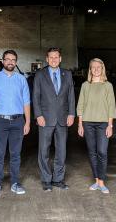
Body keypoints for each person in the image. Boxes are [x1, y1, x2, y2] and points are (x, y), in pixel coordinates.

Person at [0, 49, 30, 196]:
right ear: (3, 61)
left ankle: (15, 183)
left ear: (16, 62)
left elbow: (26, 102)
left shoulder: (21, 79)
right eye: (7, 59)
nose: (10, 62)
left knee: (15, 154)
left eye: (13, 60)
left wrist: (27, 122)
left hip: (18, 121)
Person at [33, 47, 75, 191]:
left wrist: (71, 114)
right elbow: (36, 96)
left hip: (63, 118)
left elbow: (71, 95)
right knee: (43, 150)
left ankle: (58, 179)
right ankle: (46, 180)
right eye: (51, 57)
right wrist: (38, 115)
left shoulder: (67, 74)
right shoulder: (40, 74)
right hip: (45, 118)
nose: (54, 60)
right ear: (47, 58)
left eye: (56, 57)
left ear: (60, 58)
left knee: (61, 150)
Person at [77, 58, 116, 194]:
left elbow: (111, 106)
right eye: (93, 67)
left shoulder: (108, 86)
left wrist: (110, 125)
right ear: (90, 69)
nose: (96, 69)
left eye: (98, 67)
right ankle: (97, 180)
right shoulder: (85, 85)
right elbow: (80, 105)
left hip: (103, 123)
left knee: (102, 152)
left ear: (102, 68)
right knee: (92, 152)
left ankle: (102, 181)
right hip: (87, 123)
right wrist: (80, 124)